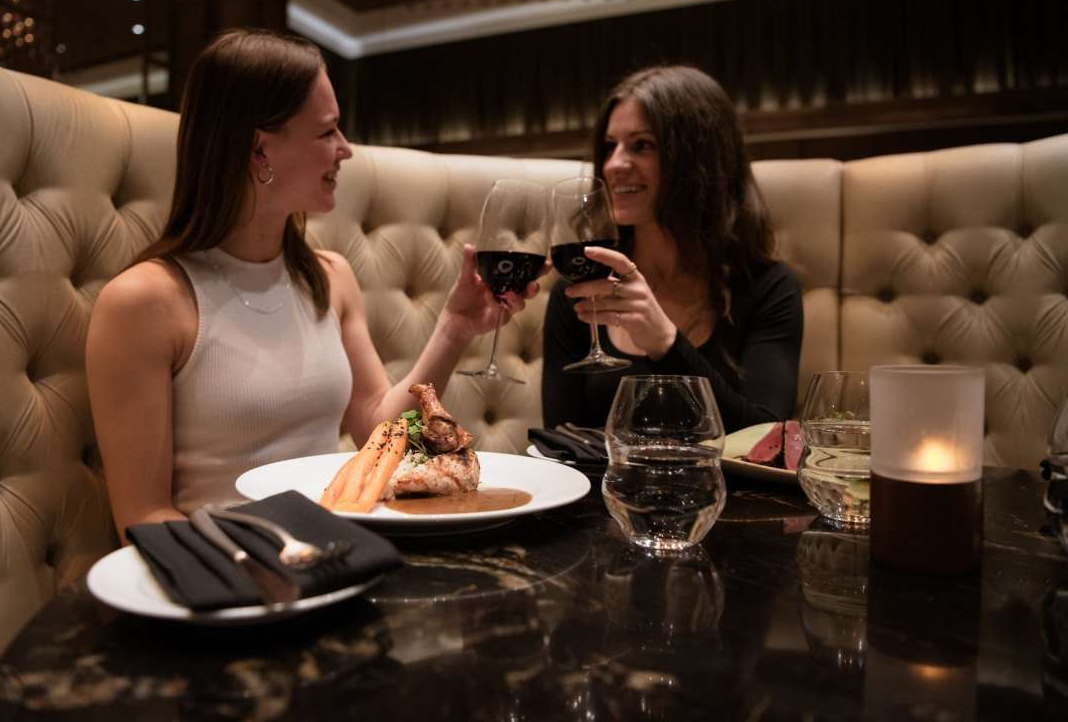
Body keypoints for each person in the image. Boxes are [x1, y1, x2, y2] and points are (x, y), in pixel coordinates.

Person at [87, 29, 539, 541]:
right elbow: (142, 518)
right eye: (327, 132)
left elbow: (375, 429)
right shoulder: (144, 302)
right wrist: (273, 568)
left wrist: (455, 329)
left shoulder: (329, 277)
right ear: (260, 151)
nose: (345, 149)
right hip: (229, 578)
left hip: (342, 549)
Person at [541, 65, 803, 431]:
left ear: (698, 159)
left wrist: (665, 342)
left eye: (641, 145)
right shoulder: (580, 293)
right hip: (603, 490)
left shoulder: (769, 287)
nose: (614, 164)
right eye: (609, 147)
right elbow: (559, 443)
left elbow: (764, 437)